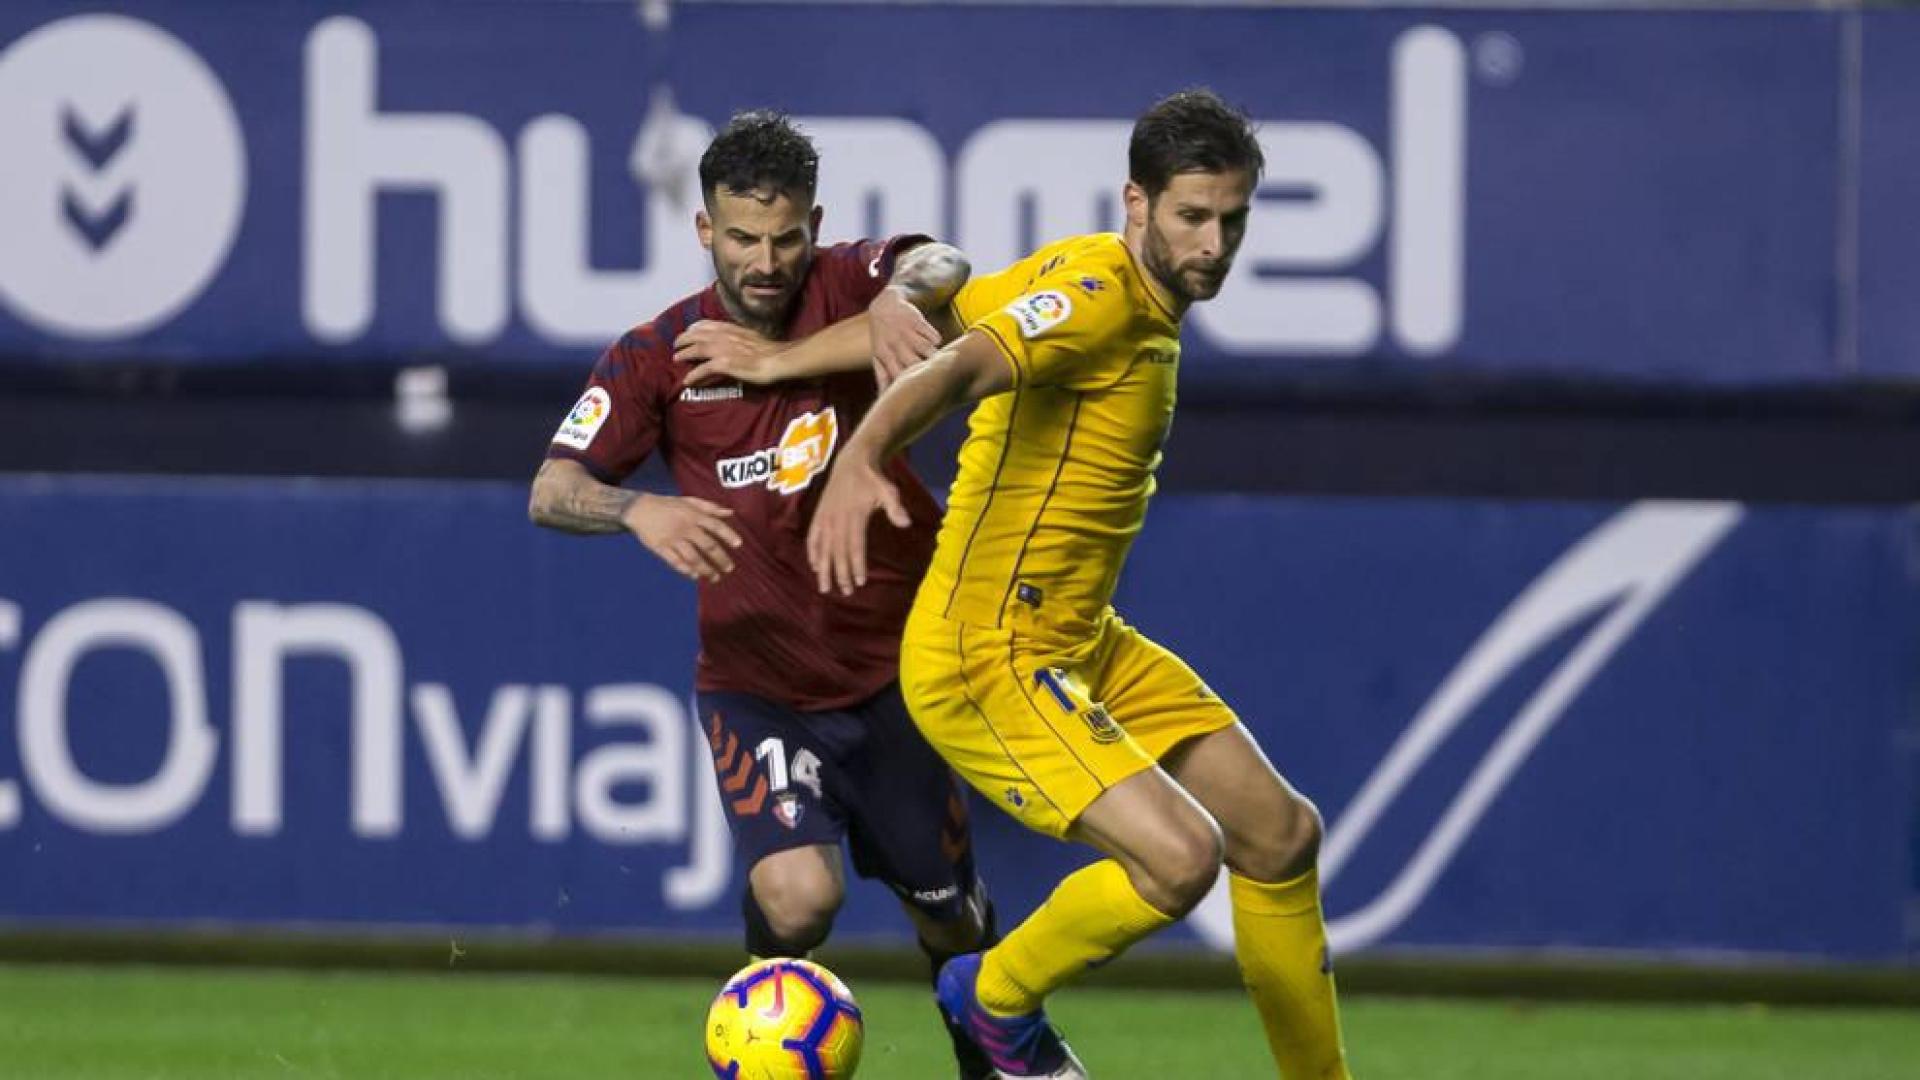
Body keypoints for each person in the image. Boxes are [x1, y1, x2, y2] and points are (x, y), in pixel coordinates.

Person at [808, 90, 1353, 1079]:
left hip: (1076, 639)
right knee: (1179, 861)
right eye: (1192, 216)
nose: (1214, 243)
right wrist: (863, 455)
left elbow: (931, 326)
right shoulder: (1100, 299)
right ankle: (993, 997)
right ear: (1137, 203)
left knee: (1280, 835)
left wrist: (801, 347)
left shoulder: (1091, 277)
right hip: (986, 654)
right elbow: (956, 370)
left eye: (1232, 219)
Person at [528, 110, 998, 1080]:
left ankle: (994, 1061)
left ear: (814, 225)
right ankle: (760, 1006)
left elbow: (942, 263)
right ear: (706, 229)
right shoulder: (657, 355)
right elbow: (551, 489)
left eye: (786, 238)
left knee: (951, 918)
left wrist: (882, 305)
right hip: (758, 685)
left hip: (899, 676)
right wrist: (636, 510)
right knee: (799, 899)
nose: (766, 262)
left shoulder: (852, 286)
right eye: (743, 238)